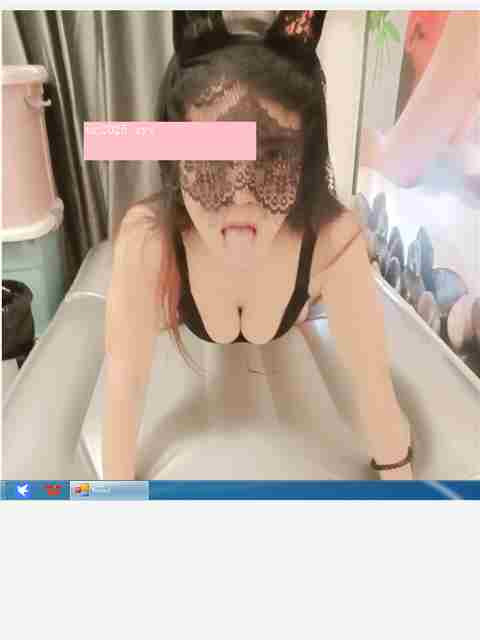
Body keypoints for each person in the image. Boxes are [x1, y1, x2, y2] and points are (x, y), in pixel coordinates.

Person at [103, 10, 413, 481]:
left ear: (304, 161)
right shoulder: (148, 241)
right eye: (211, 158)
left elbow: (376, 392)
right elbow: (123, 389)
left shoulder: (335, 241)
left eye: (272, 158)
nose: (242, 196)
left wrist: (405, 489)